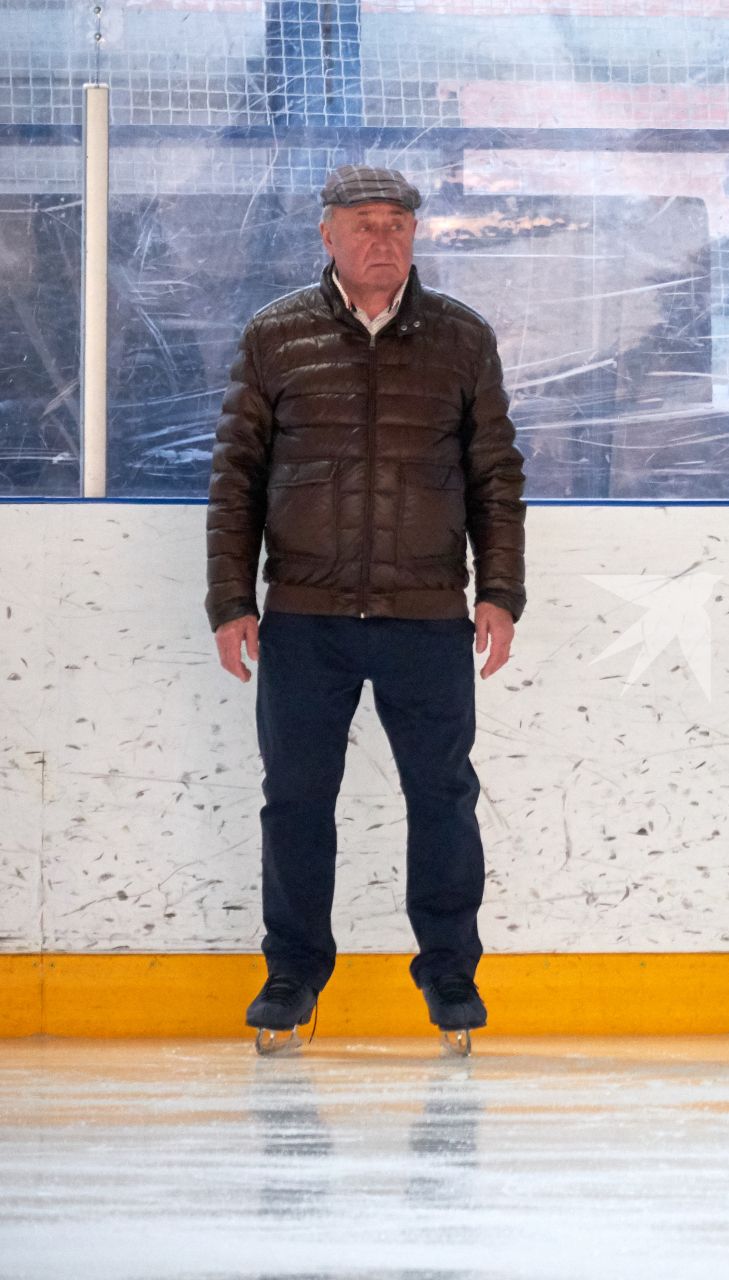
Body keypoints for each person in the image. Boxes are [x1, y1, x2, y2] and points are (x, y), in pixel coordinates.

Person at [205, 164, 527, 1056]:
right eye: (363, 223)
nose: (382, 238)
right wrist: (232, 598)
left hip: (428, 615)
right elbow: (235, 478)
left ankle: (452, 977)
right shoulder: (276, 336)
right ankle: (292, 976)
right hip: (305, 618)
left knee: (444, 799)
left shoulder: (462, 339)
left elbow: (495, 475)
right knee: (297, 801)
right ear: (328, 236)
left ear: (416, 235)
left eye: (396, 223)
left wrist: (500, 590)